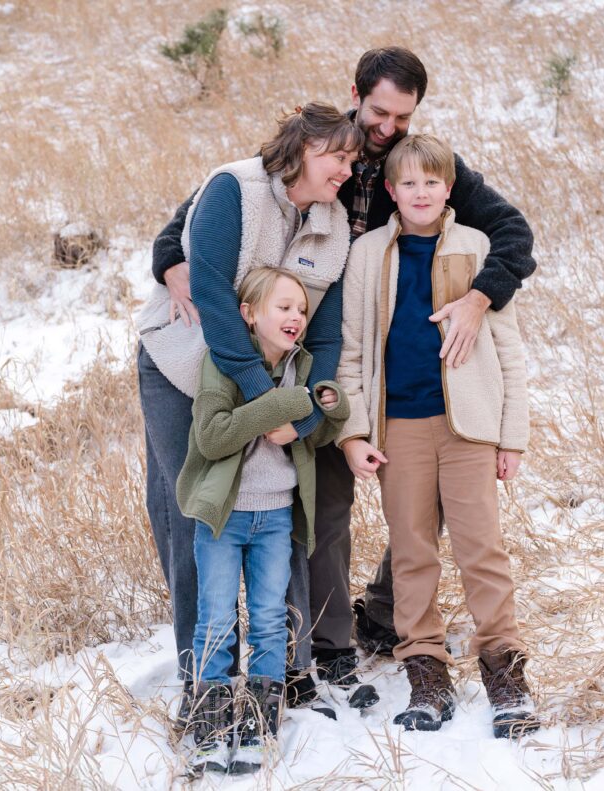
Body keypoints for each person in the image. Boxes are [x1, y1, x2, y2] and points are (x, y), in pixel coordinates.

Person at [150, 47, 537, 695]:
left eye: (401, 117)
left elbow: (512, 232)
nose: (386, 129)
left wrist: (478, 296)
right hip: (296, 346)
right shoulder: (319, 145)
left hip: (378, 356)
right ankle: (313, 642)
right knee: (317, 499)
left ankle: (385, 613)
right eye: (379, 112)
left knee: (426, 497)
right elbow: (199, 216)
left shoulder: (423, 166)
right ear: (357, 94)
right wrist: (168, 257)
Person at [136, 103, 363, 722]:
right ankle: (202, 684)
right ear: (300, 149)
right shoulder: (234, 188)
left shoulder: (335, 223)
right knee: (199, 512)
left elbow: (324, 337)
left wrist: (308, 417)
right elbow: (211, 294)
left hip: (281, 385)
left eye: (351, 160)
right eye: (336, 157)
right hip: (186, 365)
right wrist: (263, 400)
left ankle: (283, 673)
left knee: (277, 507)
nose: (347, 169)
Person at [336, 134, 539, 738]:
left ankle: (504, 666)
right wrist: (352, 431)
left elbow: (508, 351)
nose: (420, 193)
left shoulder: (477, 248)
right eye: (408, 184)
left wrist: (512, 438)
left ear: (450, 189)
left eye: (433, 183)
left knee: (482, 548)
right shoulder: (368, 254)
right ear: (390, 192)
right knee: (411, 552)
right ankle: (425, 667)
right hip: (399, 425)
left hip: (470, 428)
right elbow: (350, 353)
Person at [177, 268, 349, 774]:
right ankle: (210, 723)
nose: (296, 316)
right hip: (224, 518)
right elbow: (212, 436)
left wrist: (327, 409)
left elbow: (313, 435)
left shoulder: (305, 367)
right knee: (216, 620)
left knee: (271, 620)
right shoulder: (224, 365)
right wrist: (281, 404)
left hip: (275, 516)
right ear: (250, 315)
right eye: (284, 307)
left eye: (301, 309)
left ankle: (257, 720)